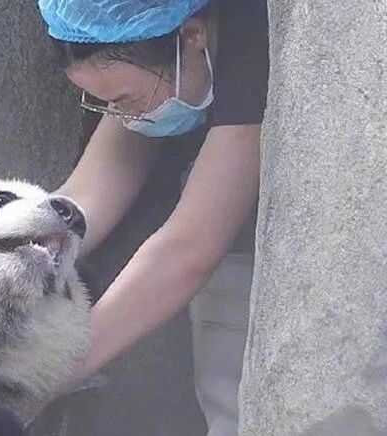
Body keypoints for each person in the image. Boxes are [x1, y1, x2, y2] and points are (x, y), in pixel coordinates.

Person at [34, 0, 269, 435]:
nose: (123, 118)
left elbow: (189, 248)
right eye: (104, 104)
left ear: (194, 36)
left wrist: (48, 373)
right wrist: (15, 268)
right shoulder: (153, 55)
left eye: (125, 100)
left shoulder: (252, 43)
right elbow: (86, 195)